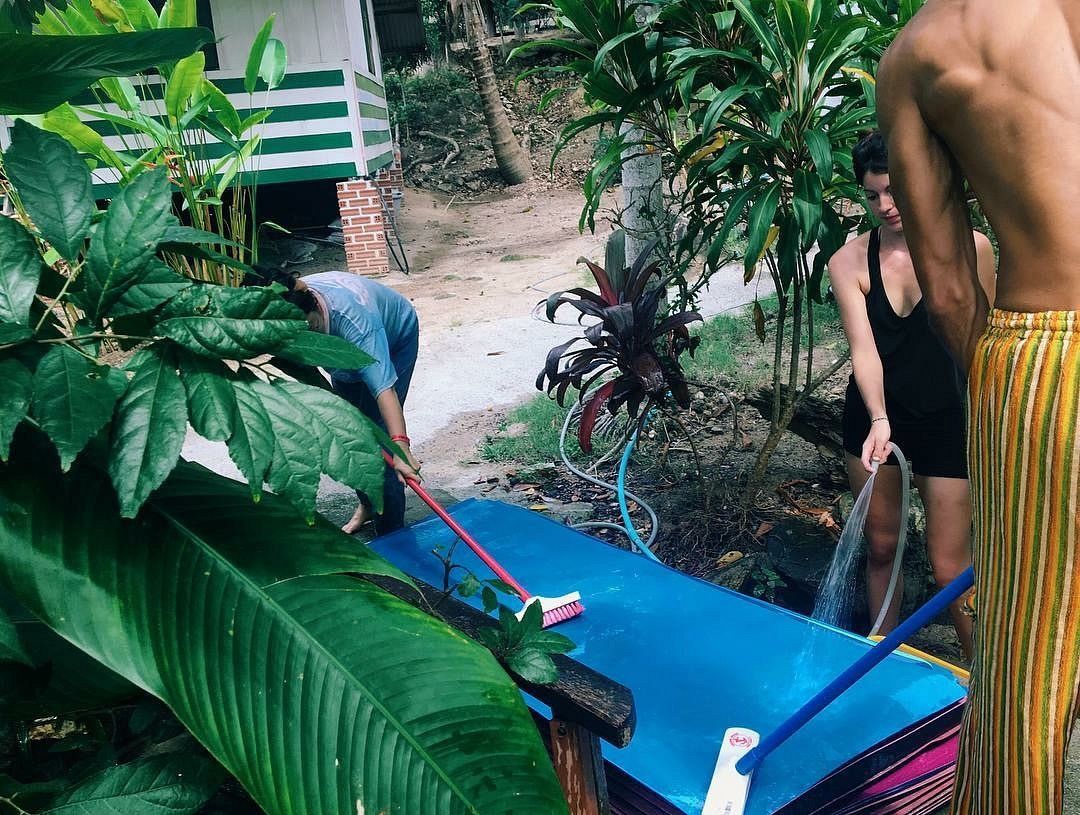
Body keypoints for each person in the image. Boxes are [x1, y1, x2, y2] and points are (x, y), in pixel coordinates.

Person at [877, 1, 1080, 811]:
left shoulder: (926, 49)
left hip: (1045, 358)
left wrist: (1007, 390)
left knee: (1028, 654)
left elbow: (953, 292)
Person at [830, 131, 995, 660]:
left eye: (895, 191)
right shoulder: (849, 262)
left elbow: (983, 346)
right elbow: (865, 351)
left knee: (950, 564)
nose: (886, 205)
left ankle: (985, 677)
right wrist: (879, 418)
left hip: (944, 421)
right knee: (881, 548)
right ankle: (877, 664)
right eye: (874, 194)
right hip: (876, 420)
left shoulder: (971, 249)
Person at [274, 269, 421, 536]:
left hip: (393, 338)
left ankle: (393, 534)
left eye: (310, 328)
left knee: (378, 439)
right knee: (350, 432)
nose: (308, 341)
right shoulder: (285, 309)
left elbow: (384, 389)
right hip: (342, 358)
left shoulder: (356, 323)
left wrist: (401, 449)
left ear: (316, 307)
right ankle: (368, 505)